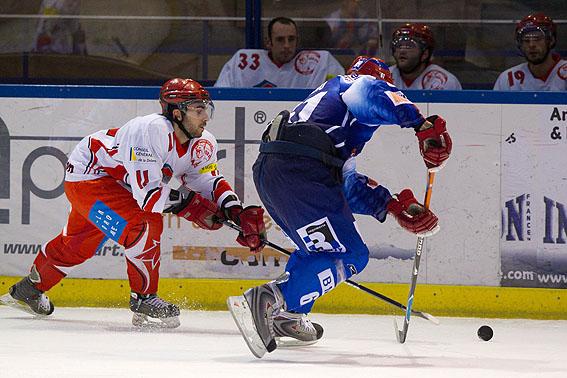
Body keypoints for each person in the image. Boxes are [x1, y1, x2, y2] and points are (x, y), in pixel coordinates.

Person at [227, 56, 452, 358]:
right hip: (301, 170)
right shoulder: (354, 85)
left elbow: (344, 185)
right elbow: (368, 91)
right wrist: (421, 124)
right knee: (351, 254)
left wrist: (391, 204)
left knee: (319, 249)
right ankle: (270, 298)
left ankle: (288, 315)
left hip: (275, 170)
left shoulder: (328, 114)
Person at [0, 78, 266, 328]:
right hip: (90, 177)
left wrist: (235, 211)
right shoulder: (150, 131)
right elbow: (149, 198)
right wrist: (192, 207)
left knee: (79, 243)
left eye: (206, 108)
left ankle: (29, 290)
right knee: (144, 224)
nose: (206, 116)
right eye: (198, 109)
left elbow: (207, 181)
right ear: (177, 113)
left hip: (117, 183)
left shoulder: (203, 141)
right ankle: (144, 298)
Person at [215, 17, 345, 88]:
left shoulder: (319, 61)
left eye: (291, 39)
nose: (287, 45)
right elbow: (221, 93)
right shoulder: (243, 62)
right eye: (280, 40)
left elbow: (342, 91)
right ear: (268, 42)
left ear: (298, 40)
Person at [493, 13, 566, 91]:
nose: (531, 45)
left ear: (551, 40)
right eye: (526, 40)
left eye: (537, 39)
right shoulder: (508, 78)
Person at [389, 23, 462, 90]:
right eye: (398, 45)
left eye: (409, 46)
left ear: (425, 54)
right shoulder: (384, 76)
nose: (402, 50)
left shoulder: (443, 80)